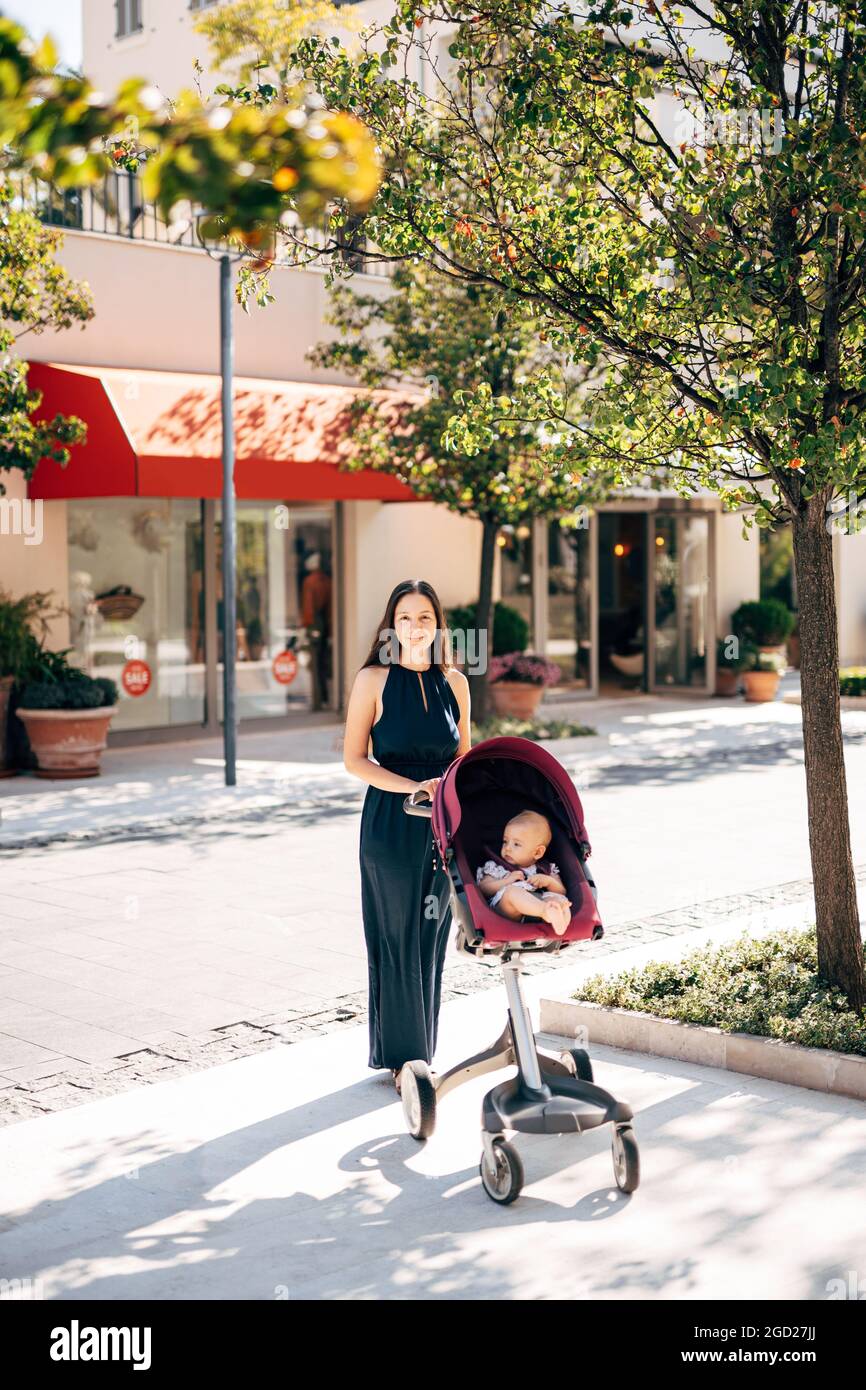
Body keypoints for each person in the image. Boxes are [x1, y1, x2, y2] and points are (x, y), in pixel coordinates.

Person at [343, 579, 471, 1095]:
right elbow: (354, 760)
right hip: (390, 824)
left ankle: (420, 1053)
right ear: (390, 626)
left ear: (438, 624)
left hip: (443, 826)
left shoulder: (456, 682)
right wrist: (414, 786)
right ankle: (403, 1060)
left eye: (423, 618)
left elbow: (464, 759)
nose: (414, 627)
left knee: (431, 936)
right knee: (395, 936)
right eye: (404, 618)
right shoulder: (372, 680)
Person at [475, 810, 572, 936]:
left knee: (557, 898)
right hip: (508, 911)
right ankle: (546, 911)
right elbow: (483, 888)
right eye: (505, 841)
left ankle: (559, 916)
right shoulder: (496, 867)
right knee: (512, 892)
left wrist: (549, 881)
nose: (507, 848)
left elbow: (561, 891)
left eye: (516, 844)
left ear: (537, 852)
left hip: (539, 903)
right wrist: (506, 881)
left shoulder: (546, 868)